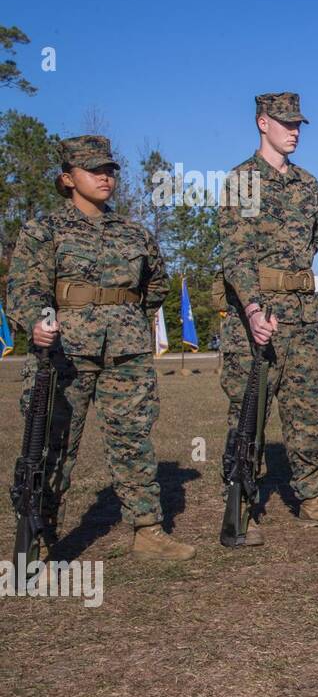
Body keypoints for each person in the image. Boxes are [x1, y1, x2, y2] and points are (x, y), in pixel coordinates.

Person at [6, 135, 193, 560]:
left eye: (109, 170)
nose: (105, 177)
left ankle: (147, 531)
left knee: (133, 441)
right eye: (94, 170)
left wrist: (125, 319)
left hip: (125, 355)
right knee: (53, 445)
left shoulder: (134, 232)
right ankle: (37, 537)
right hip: (64, 353)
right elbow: (23, 287)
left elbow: (155, 285)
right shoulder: (44, 229)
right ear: (68, 178)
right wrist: (37, 320)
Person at [217, 92, 318, 546]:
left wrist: (288, 282)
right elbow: (236, 255)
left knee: (306, 411)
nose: (294, 130)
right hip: (255, 318)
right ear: (263, 122)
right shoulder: (242, 180)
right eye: (284, 123)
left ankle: (312, 498)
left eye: (298, 123)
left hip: (300, 314)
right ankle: (243, 500)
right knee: (248, 411)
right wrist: (255, 307)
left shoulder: (307, 184)